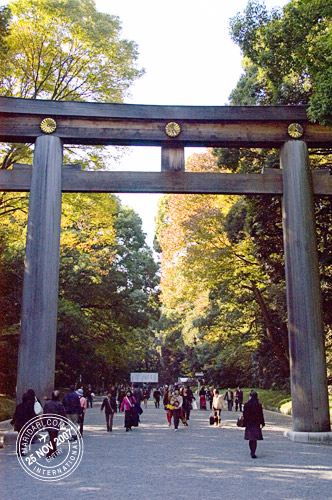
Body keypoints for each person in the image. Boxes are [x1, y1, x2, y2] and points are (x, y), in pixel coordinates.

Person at [43, 390, 66, 457]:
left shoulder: (47, 403)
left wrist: (44, 422)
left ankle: (54, 450)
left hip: (48, 421)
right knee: (53, 437)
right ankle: (50, 452)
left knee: (52, 436)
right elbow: (62, 413)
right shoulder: (59, 404)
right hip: (55, 422)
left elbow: (44, 413)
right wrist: (65, 421)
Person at [243, 390, 265, 459]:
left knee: (250, 438)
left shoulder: (246, 404)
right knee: (254, 439)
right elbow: (261, 415)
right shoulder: (259, 405)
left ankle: (251, 451)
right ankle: (253, 452)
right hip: (256, 423)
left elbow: (244, 414)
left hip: (249, 423)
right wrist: (262, 423)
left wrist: (244, 422)